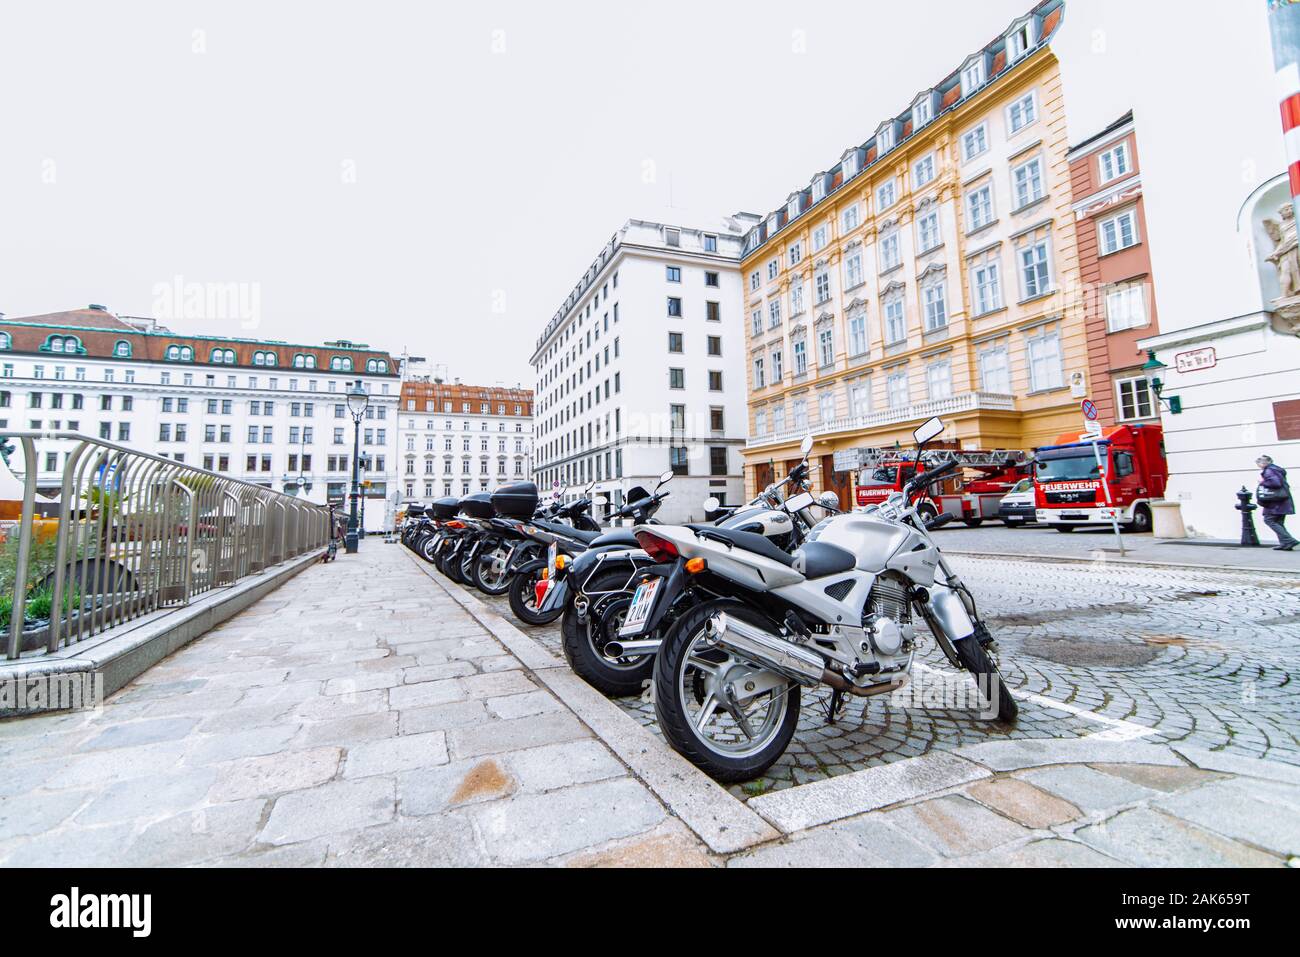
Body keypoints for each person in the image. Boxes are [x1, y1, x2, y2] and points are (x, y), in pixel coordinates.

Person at [1257, 454, 1296, 551]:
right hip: (1282, 501)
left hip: (1275, 502)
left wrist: (1262, 482)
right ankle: (1285, 544)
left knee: (1269, 520)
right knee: (1278, 522)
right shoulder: (1276, 469)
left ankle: (1289, 540)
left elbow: (1275, 483)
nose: (1258, 465)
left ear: (1263, 463)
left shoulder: (1269, 471)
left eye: (1259, 463)